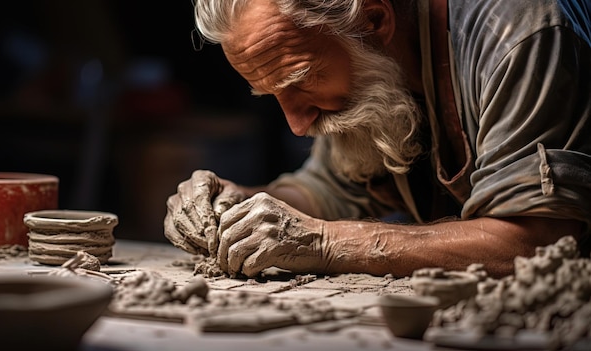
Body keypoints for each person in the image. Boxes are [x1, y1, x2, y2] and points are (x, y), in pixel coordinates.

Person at [164, 0, 591, 279]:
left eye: (301, 80)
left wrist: (327, 243)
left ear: (374, 19)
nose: (296, 124)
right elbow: (326, 191)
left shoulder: (520, 33)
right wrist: (239, 205)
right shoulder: (361, 65)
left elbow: (537, 240)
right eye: (273, 94)